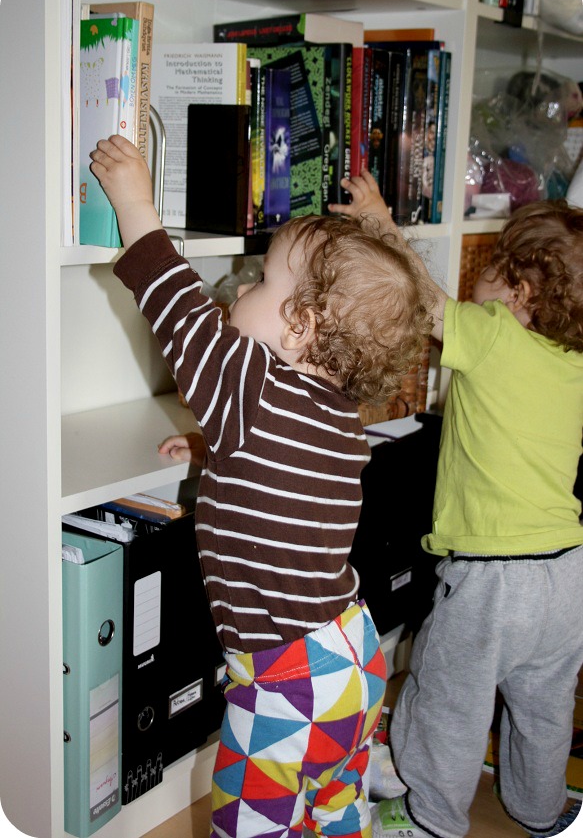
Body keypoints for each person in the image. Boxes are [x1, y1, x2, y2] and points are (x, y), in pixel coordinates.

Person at [89, 134, 434, 838]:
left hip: (287, 680)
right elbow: (278, 476)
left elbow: (178, 307)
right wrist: (212, 446)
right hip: (352, 655)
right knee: (334, 807)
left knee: (251, 822)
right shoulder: (337, 415)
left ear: (300, 328)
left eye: (262, 281)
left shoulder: (250, 386)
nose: (242, 290)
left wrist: (135, 203)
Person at [329, 171, 583, 838]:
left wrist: (380, 221)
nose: (478, 278)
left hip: (496, 577)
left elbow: (424, 300)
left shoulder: (496, 334)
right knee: (543, 705)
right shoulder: (573, 362)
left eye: (491, 269)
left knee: (447, 697)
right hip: (566, 574)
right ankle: (542, 809)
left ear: (519, 295)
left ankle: (428, 816)